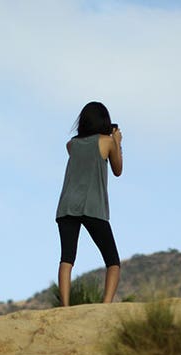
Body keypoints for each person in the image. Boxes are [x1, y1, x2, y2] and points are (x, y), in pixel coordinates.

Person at [55, 101, 124, 306]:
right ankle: (105, 306)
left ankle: (65, 306)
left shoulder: (71, 145)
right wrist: (117, 142)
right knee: (112, 261)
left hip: (67, 205)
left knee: (67, 259)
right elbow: (118, 170)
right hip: (93, 206)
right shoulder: (107, 141)